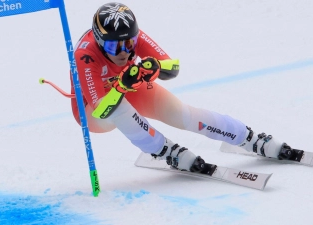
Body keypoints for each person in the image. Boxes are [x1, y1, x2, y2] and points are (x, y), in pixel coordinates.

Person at [69, 2, 300, 173]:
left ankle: (249, 138)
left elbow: (173, 67)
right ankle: (164, 150)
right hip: (92, 110)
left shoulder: (134, 37)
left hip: (127, 87)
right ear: (99, 42)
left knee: (182, 113)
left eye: (128, 43)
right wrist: (120, 87)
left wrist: (155, 67)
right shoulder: (85, 55)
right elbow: (101, 110)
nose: (122, 52)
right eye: (112, 46)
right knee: (118, 107)